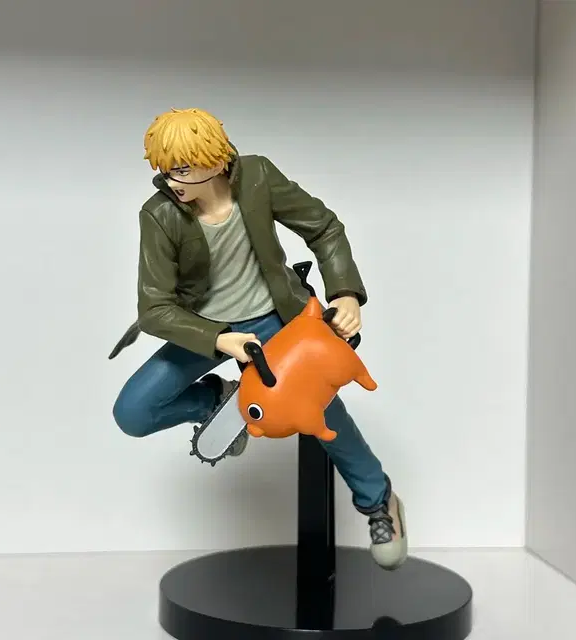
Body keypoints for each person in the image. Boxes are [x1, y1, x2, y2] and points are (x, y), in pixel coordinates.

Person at [109, 107, 407, 570]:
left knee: (325, 414)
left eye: (182, 169)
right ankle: (215, 399)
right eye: (165, 171)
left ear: (215, 161)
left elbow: (324, 227)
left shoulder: (258, 177)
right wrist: (219, 339)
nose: (172, 181)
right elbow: (155, 308)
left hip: (277, 319)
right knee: (133, 411)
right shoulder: (160, 214)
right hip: (206, 329)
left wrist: (345, 292)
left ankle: (379, 500)